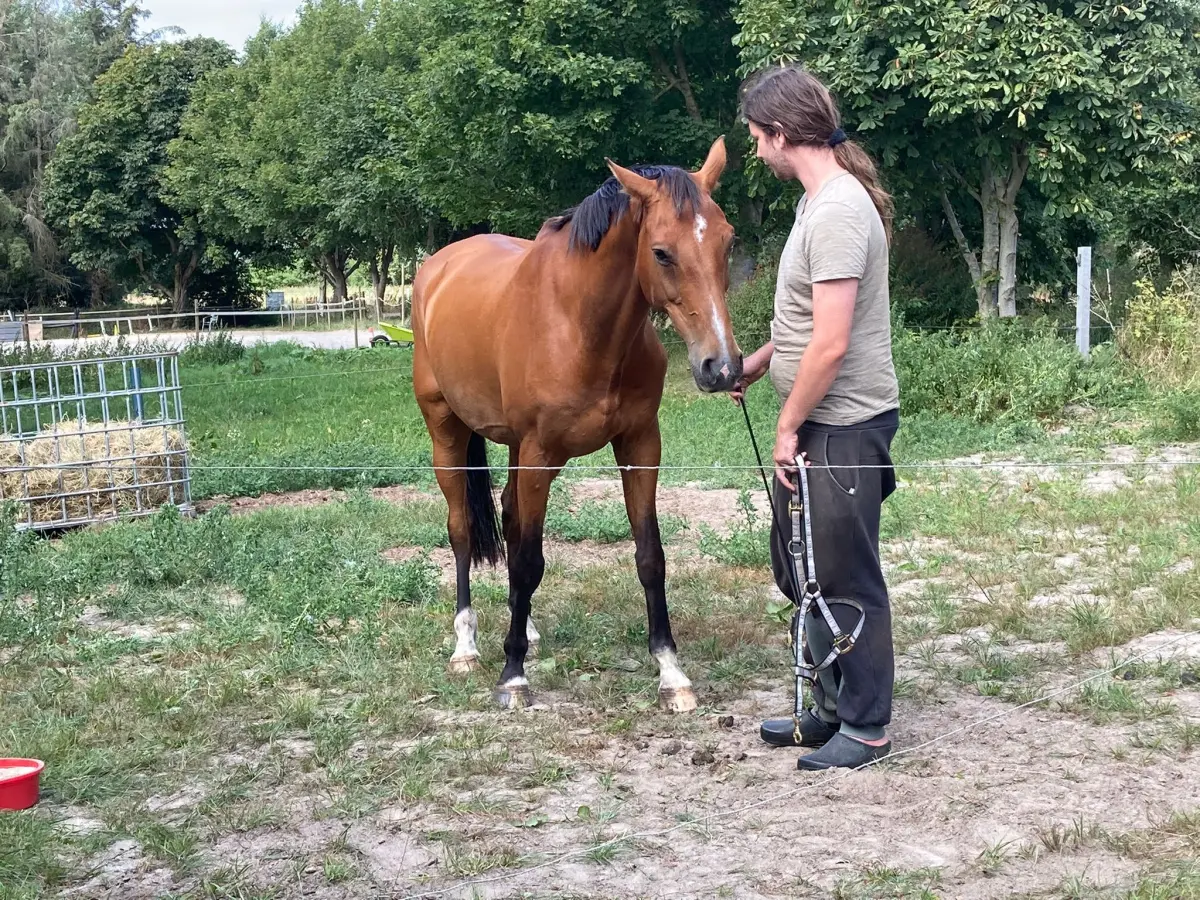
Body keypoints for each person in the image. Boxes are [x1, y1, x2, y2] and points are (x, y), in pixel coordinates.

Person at [731, 64, 901, 771]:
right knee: (797, 567)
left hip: (843, 427)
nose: (754, 149)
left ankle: (865, 728)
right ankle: (826, 709)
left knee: (844, 577)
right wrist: (763, 360)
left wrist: (786, 423)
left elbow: (832, 345)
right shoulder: (817, 203)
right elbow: (810, 323)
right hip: (819, 422)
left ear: (779, 133)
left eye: (754, 137)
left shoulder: (836, 211)